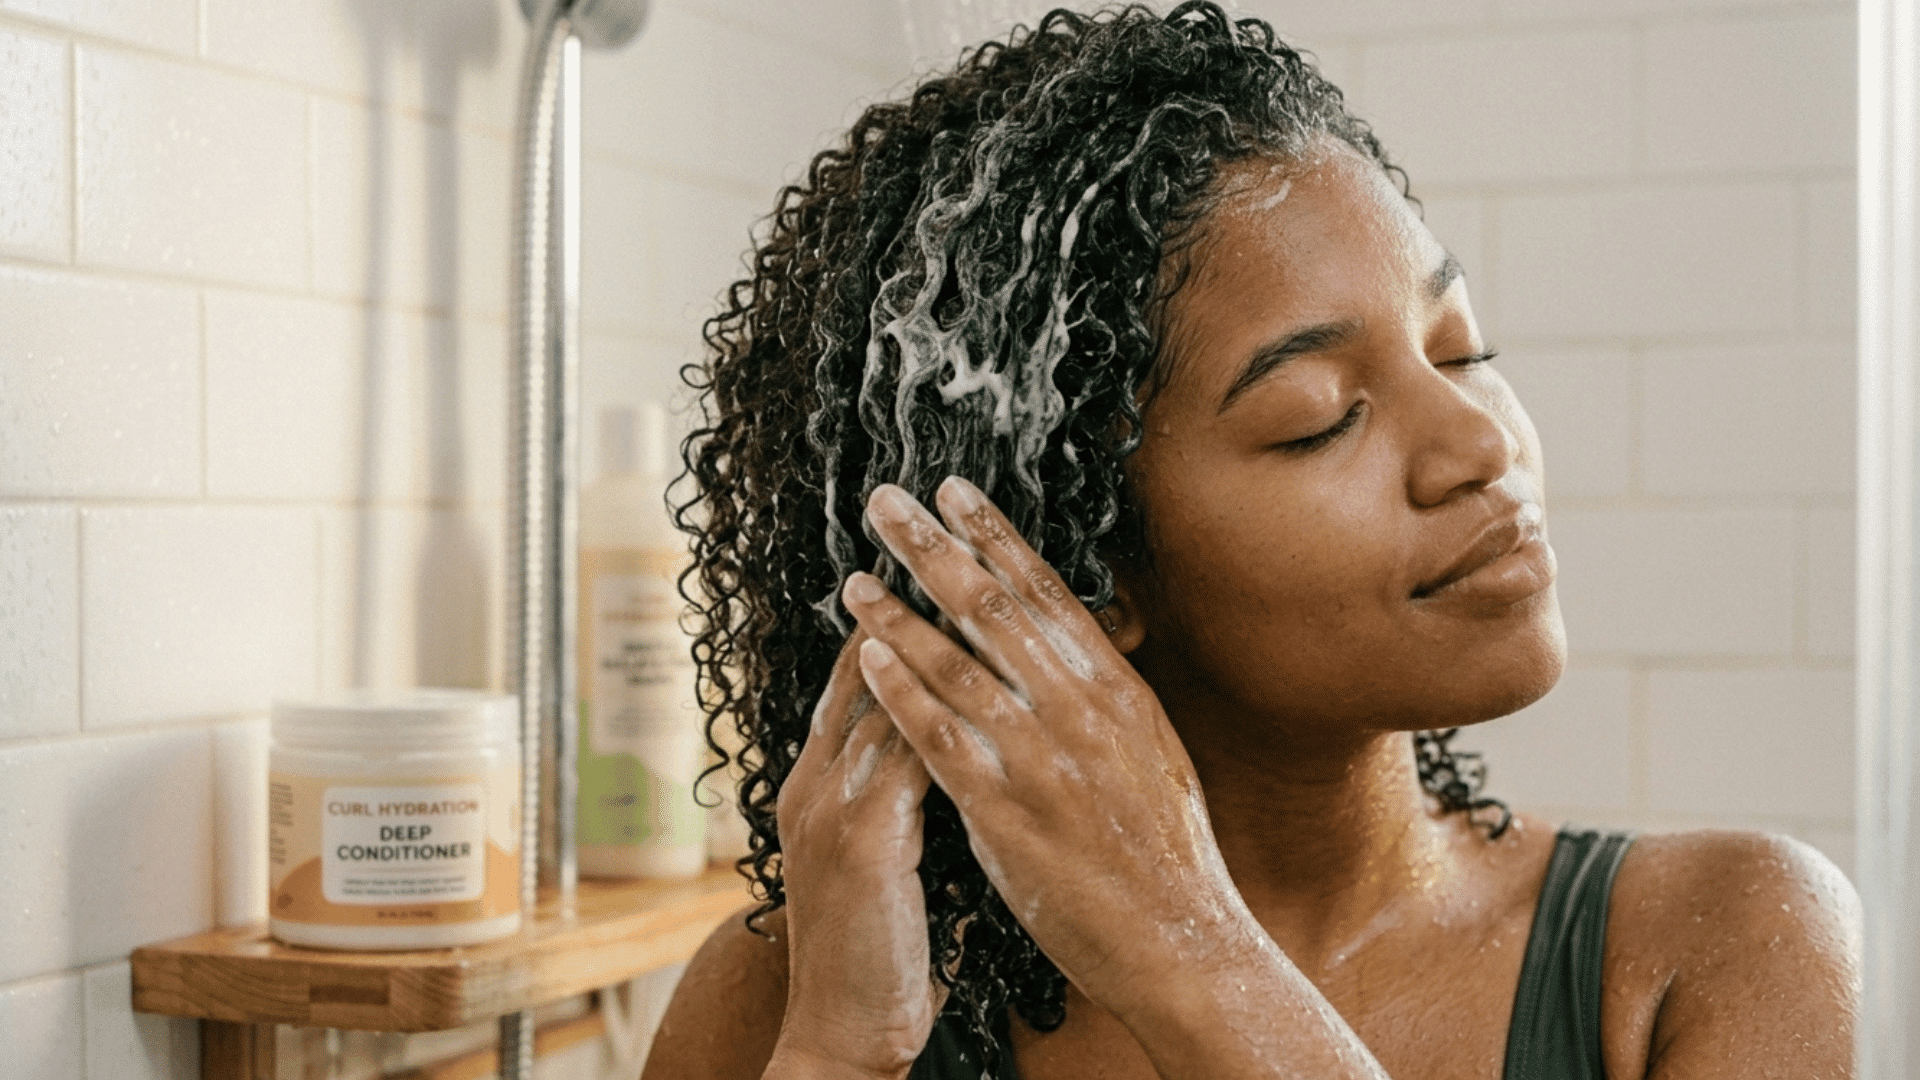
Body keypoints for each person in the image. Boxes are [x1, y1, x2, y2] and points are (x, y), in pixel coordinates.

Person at [643, 5, 1861, 1078]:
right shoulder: (789, 1002)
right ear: (1081, 568)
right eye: (1321, 418)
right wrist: (837, 1057)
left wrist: (1191, 953)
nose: (1479, 444)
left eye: (1461, 349)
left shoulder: (1721, 946)